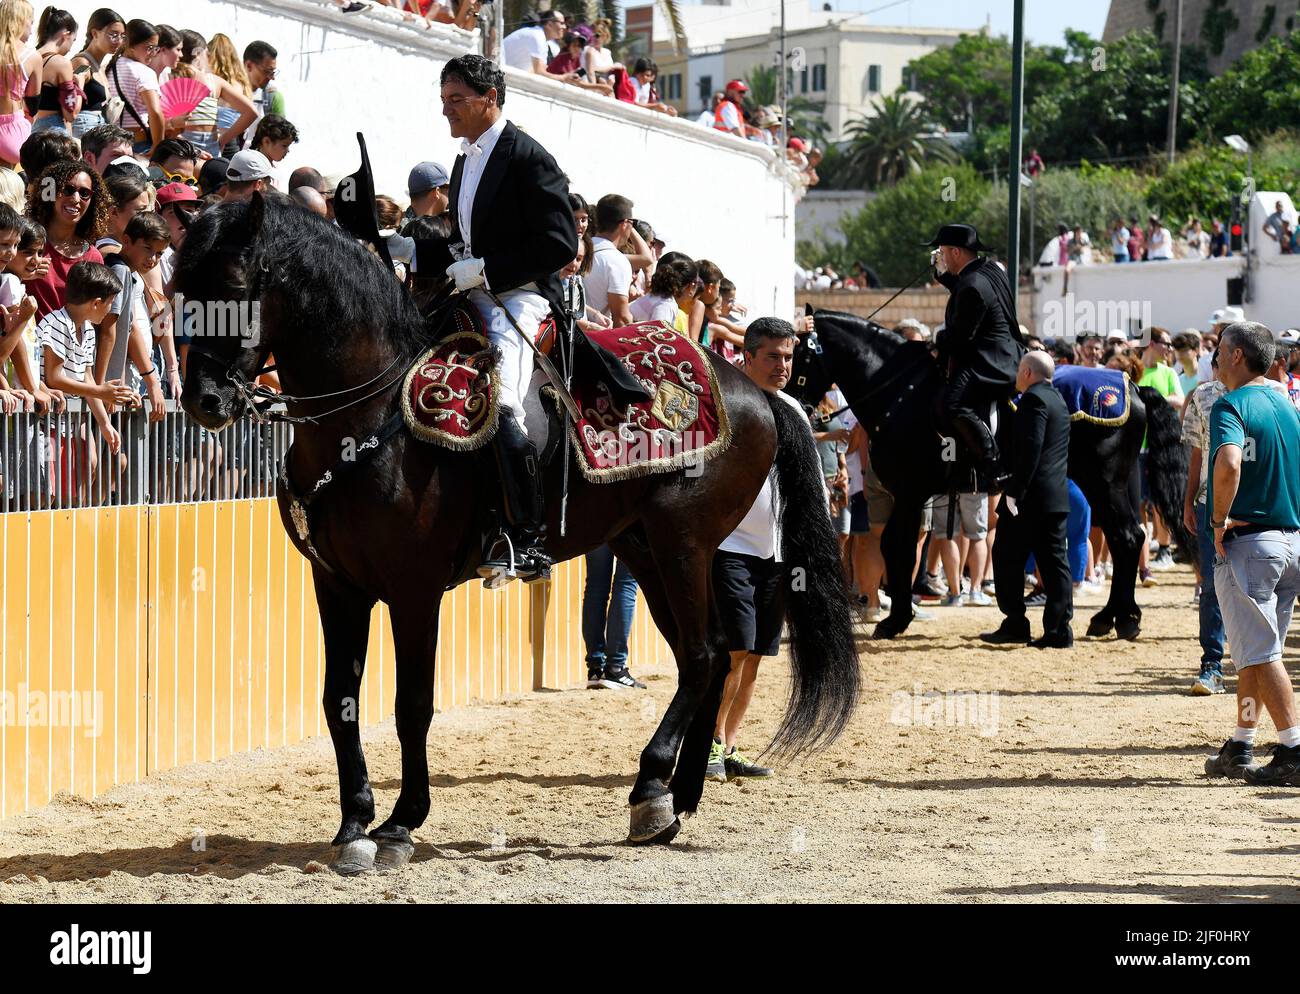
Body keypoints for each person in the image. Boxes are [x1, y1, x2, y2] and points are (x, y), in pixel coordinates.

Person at [396, 55, 646, 584]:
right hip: (471, 292)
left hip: (523, 298)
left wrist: (486, 268)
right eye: (443, 101)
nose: (447, 112)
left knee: (502, 400)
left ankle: (525, 537)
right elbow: (461, 246)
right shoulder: (463, 161)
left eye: (456, 101)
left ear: (490, 98)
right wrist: (409, 252)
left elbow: (560, 242)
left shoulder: (531, 158)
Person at [705, 317, 810, 783]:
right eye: (772, 356)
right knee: (733, 652)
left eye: (788, 356)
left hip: (777, 551)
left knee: (754, 660)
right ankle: (705, 747)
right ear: (746, 356)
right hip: (730, 547)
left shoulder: (794, 410)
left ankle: (728, 746)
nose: (782, 365)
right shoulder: (723, 405)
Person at [1202, 321, 1300, 783]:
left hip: (1251, 542)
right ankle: (1241, 744)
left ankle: (1294, 748)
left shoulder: (1229, 404)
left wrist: (1218, 522)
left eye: (1220, 349)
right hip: (1289, 540)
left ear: (1238, 355)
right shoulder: (1287, 402)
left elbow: (1228, 462)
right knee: (1257, 652)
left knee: (1261, 654)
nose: (1214, 357)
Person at [982, 350, 1073, 648]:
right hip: (1053, 496)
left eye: (1020, 370)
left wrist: (1014, 492)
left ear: (1028, 373)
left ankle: (1016, 623)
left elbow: (1031, 449)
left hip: (1029, 499)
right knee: (1055, 565)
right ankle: (1059, 630)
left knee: (1006, 557)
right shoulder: (1057, 399)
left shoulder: (1033, 400)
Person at [928, 222, 1025, 489]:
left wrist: (935, 340)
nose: (943, 257)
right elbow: (965, 288)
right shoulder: (990, 270)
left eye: (945, 252)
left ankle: (992, 461)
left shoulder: (972, 285)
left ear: (957, 252)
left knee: (953, 403)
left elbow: (959, 339)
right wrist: (943, 275)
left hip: (991, 361)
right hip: (1006, 352)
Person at [1181, 353, 1228, 696]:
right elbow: (1196, 454)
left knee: (1254, 588)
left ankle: (1252, 662)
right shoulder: (1204, 396)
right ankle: (1212, 664)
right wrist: (1187, 501)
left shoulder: (1272, 394)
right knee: (1212, 586)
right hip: (1208, 503)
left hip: (1254, 507)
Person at [171, 30, 258, 159]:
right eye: (207, 53)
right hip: (211, 148)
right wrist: (223, 140)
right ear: (198, 53)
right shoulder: (214, 82)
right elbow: (251, 112)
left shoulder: (171, 77)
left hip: (181, 147)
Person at [105, 18, 163, 156]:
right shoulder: (144, 72)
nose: (153, 53)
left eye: (156, 48)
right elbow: (155, 112)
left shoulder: (108, 67)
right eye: (149, 48)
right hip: (139, 143)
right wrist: (158, 145)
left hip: (111, 143)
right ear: (131, 45)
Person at [69, 7, 124, 139]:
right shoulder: (82, 63)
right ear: (95, 33)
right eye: (113, 34)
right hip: (83, 132)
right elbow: (70, 90)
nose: (119, 40)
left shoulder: (99, 66)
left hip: (98, 131)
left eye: (122, 36)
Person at [583, 193, 637, 326]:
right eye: (632, 223)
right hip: (592, 338)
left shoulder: (579, 248)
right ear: (624, 224)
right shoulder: (617, 261)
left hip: (565, 333)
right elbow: (622, 318)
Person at [501, 10, 573, 82]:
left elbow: (542, 70)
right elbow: (539, 72)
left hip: (505, 77)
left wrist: (567, 75)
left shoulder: (541, 38)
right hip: (499, 77)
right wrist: (563, 78)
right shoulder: (537, 36)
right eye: (562, 23)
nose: (564, 27)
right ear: (549, 24)